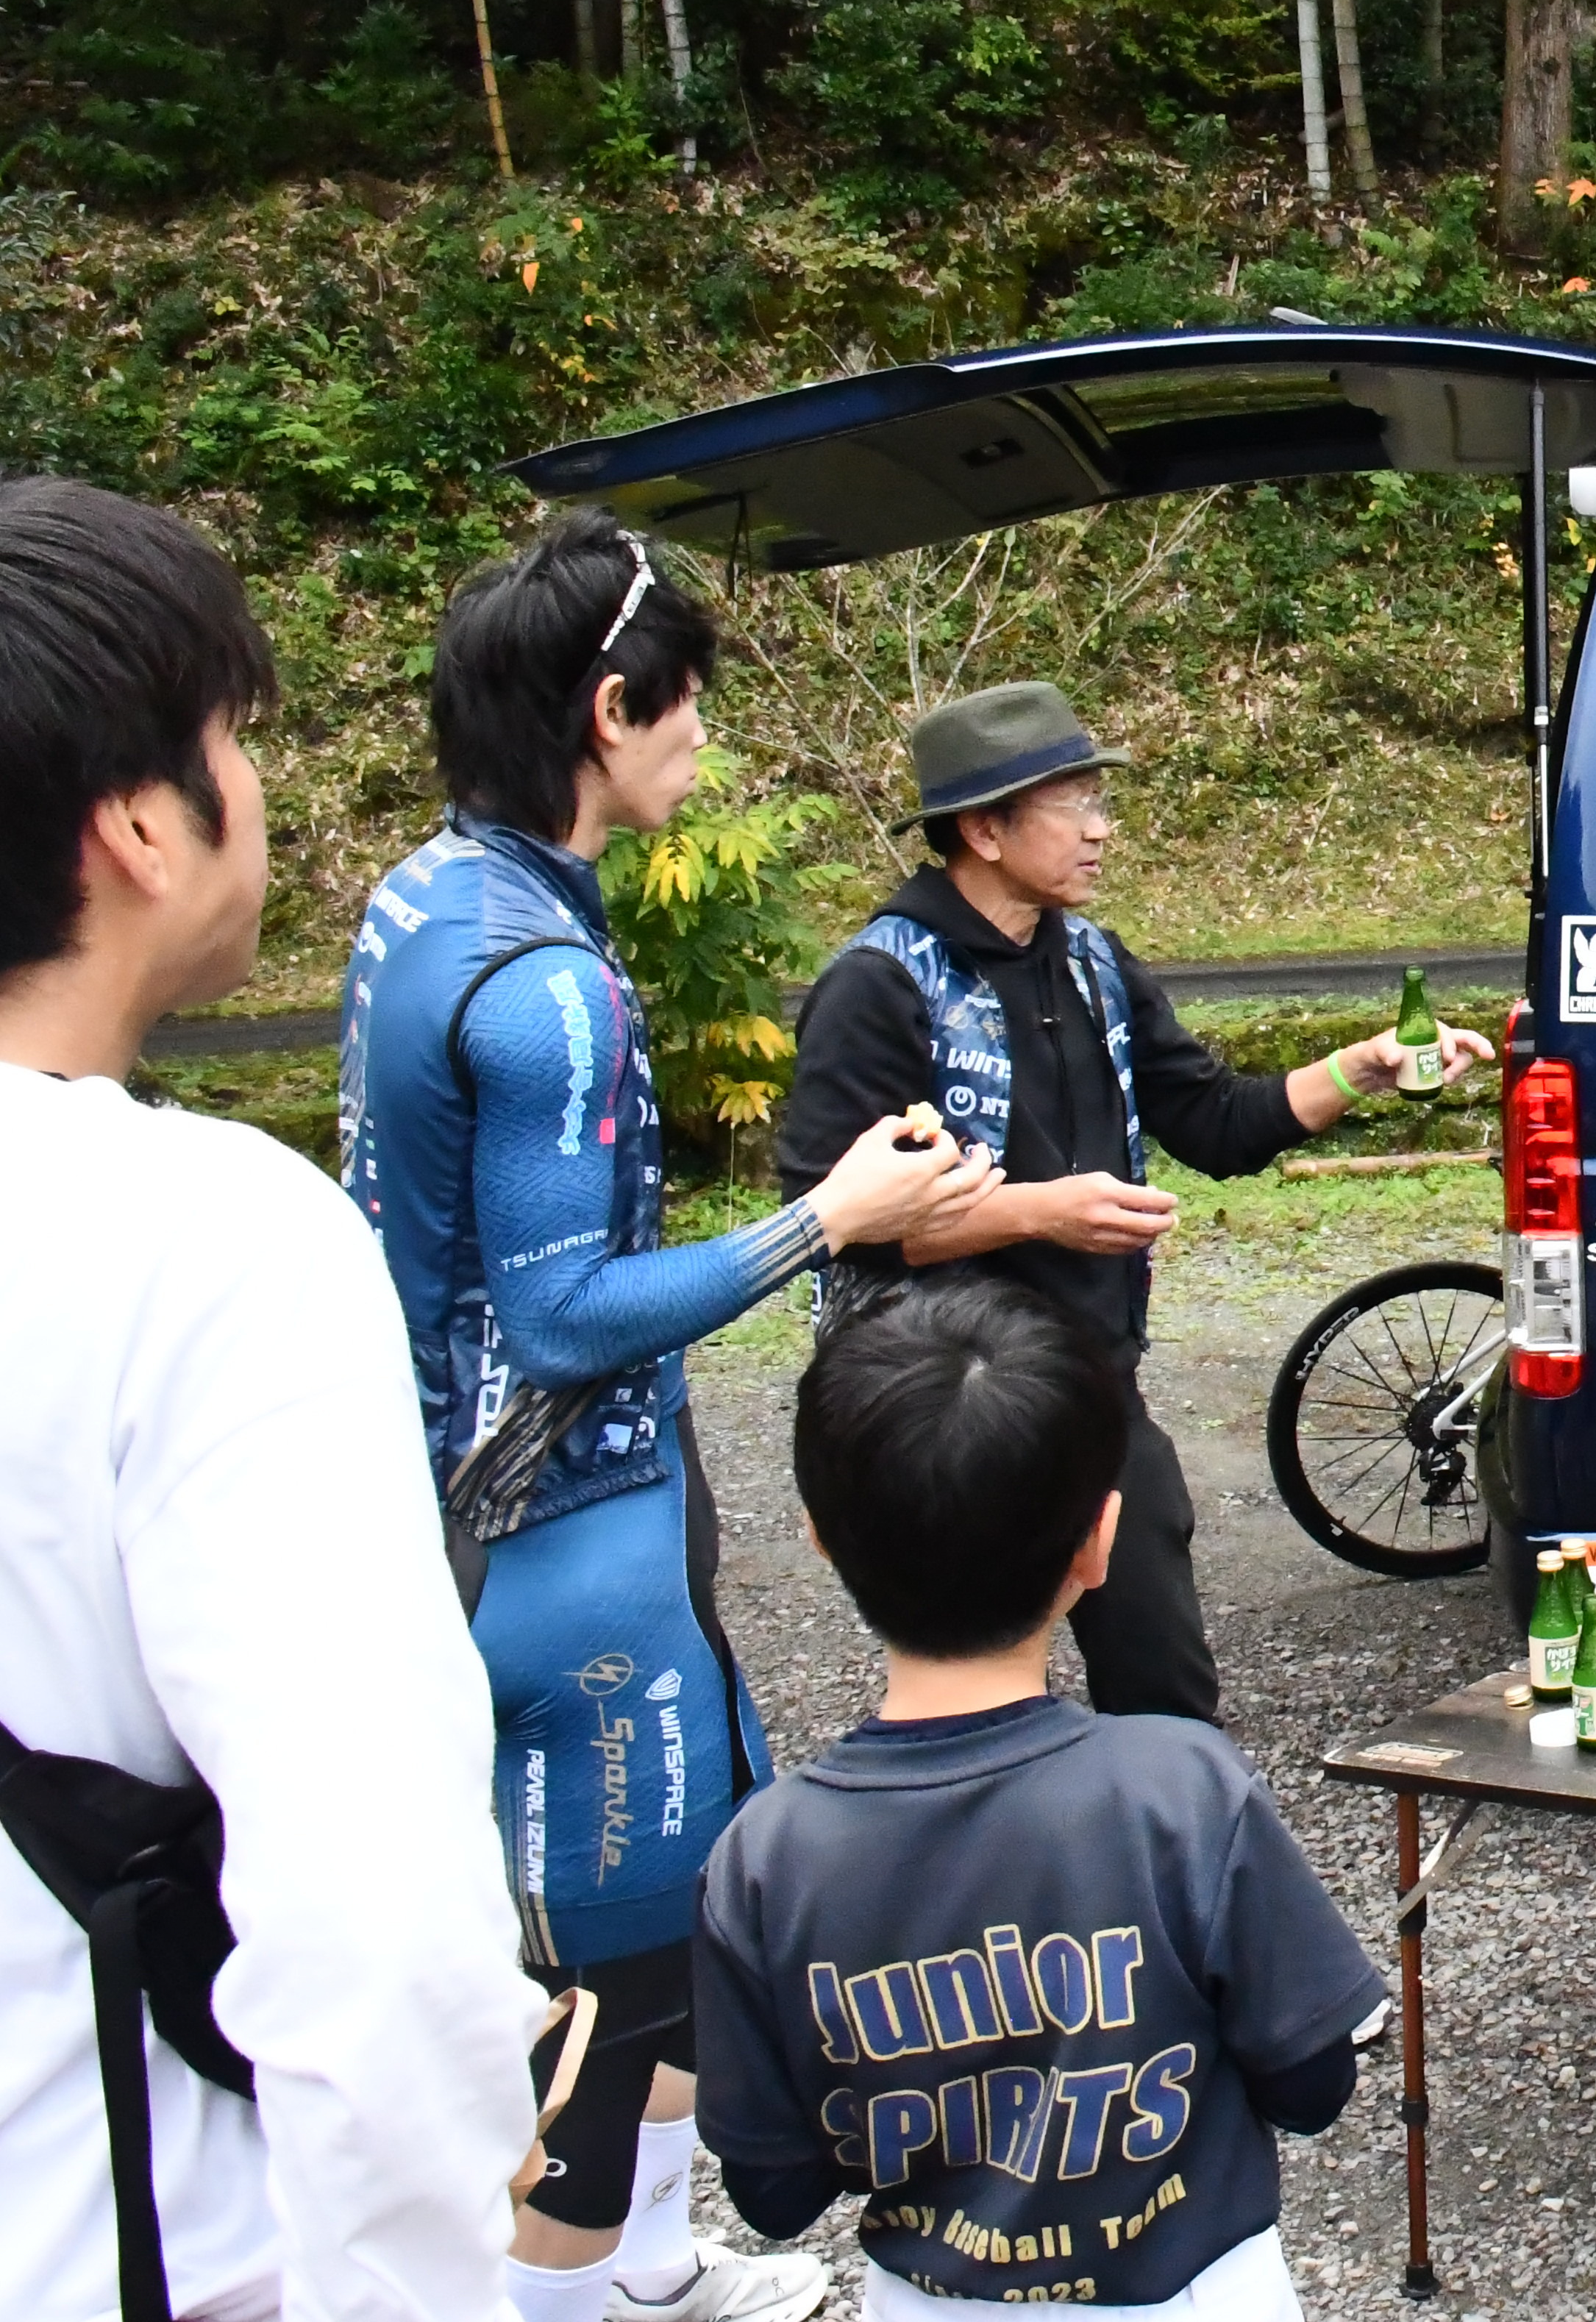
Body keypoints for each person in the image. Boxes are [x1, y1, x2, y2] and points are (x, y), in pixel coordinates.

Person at [341, 508, 985, 2322]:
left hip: (485, 1496)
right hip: (568, 1521)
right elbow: (555, 1316)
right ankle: (569, 2294)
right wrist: (827, 1217)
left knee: (675, 1933)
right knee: (620, 1991)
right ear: (613, 710)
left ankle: (646, 2271)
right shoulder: (548, 986)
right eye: (690, 702)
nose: (707, 736)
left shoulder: (430, 892)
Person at [0, 479, 547, 2322]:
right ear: (141, 822)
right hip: (127, 2236)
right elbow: (379, 1935)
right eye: (236, 736)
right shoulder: (199, 1234)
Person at [772, 683, 1491, 1727]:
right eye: (1074, 803)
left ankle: (1158, 1862)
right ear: (984, 829)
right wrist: (1036, 1214)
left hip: (1090, 1390)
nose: (1102, 829)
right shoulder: (882, 984)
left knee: (1165, 1687)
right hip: (940, 1406)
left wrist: (1360, 1070)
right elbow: (825, 1218)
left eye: (1100, 802)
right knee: (962, 1698)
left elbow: (1214, 1123)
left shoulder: (1095, 962)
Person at [693, 1277, 1386, 2319]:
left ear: (821, 1537)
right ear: (1098, 1543)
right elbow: (1314, 2083)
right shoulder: (1182, 1790)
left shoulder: (763, 1857)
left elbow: (775, 2190)